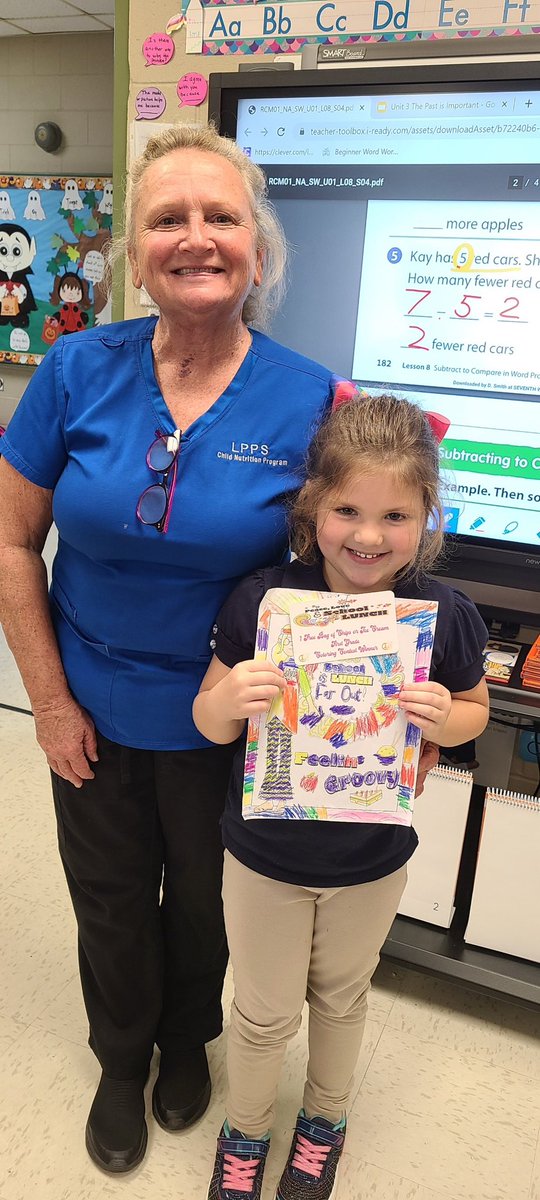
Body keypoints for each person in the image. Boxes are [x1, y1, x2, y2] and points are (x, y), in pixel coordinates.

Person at [0, 124, 338, 1174]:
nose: (197, 237)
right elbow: (12, 540)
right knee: (106, 891)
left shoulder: (310, 396)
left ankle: (186, 1041)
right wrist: (49, 702)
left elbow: (363, 548)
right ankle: (118, 1056)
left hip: (228, 711)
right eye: (169, 217)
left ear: (258, 245)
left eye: (221, 216)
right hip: (90, 696)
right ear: (138, 248)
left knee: (205, 897)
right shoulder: (73, 370)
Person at [193, 391, 489, 1200]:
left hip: (371, 857)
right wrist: (232, 698)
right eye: (348, 509)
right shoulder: (265, 602)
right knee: (260, 1014)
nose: (367, 535)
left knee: (342, 995)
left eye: (395, 516)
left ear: (429, 514)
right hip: (264, 853)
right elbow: (209, 718)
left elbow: (474, 713)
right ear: (312, 507)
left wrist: (445, 717)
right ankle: (247, 1130)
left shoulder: (444, 615)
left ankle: (324, 1121)